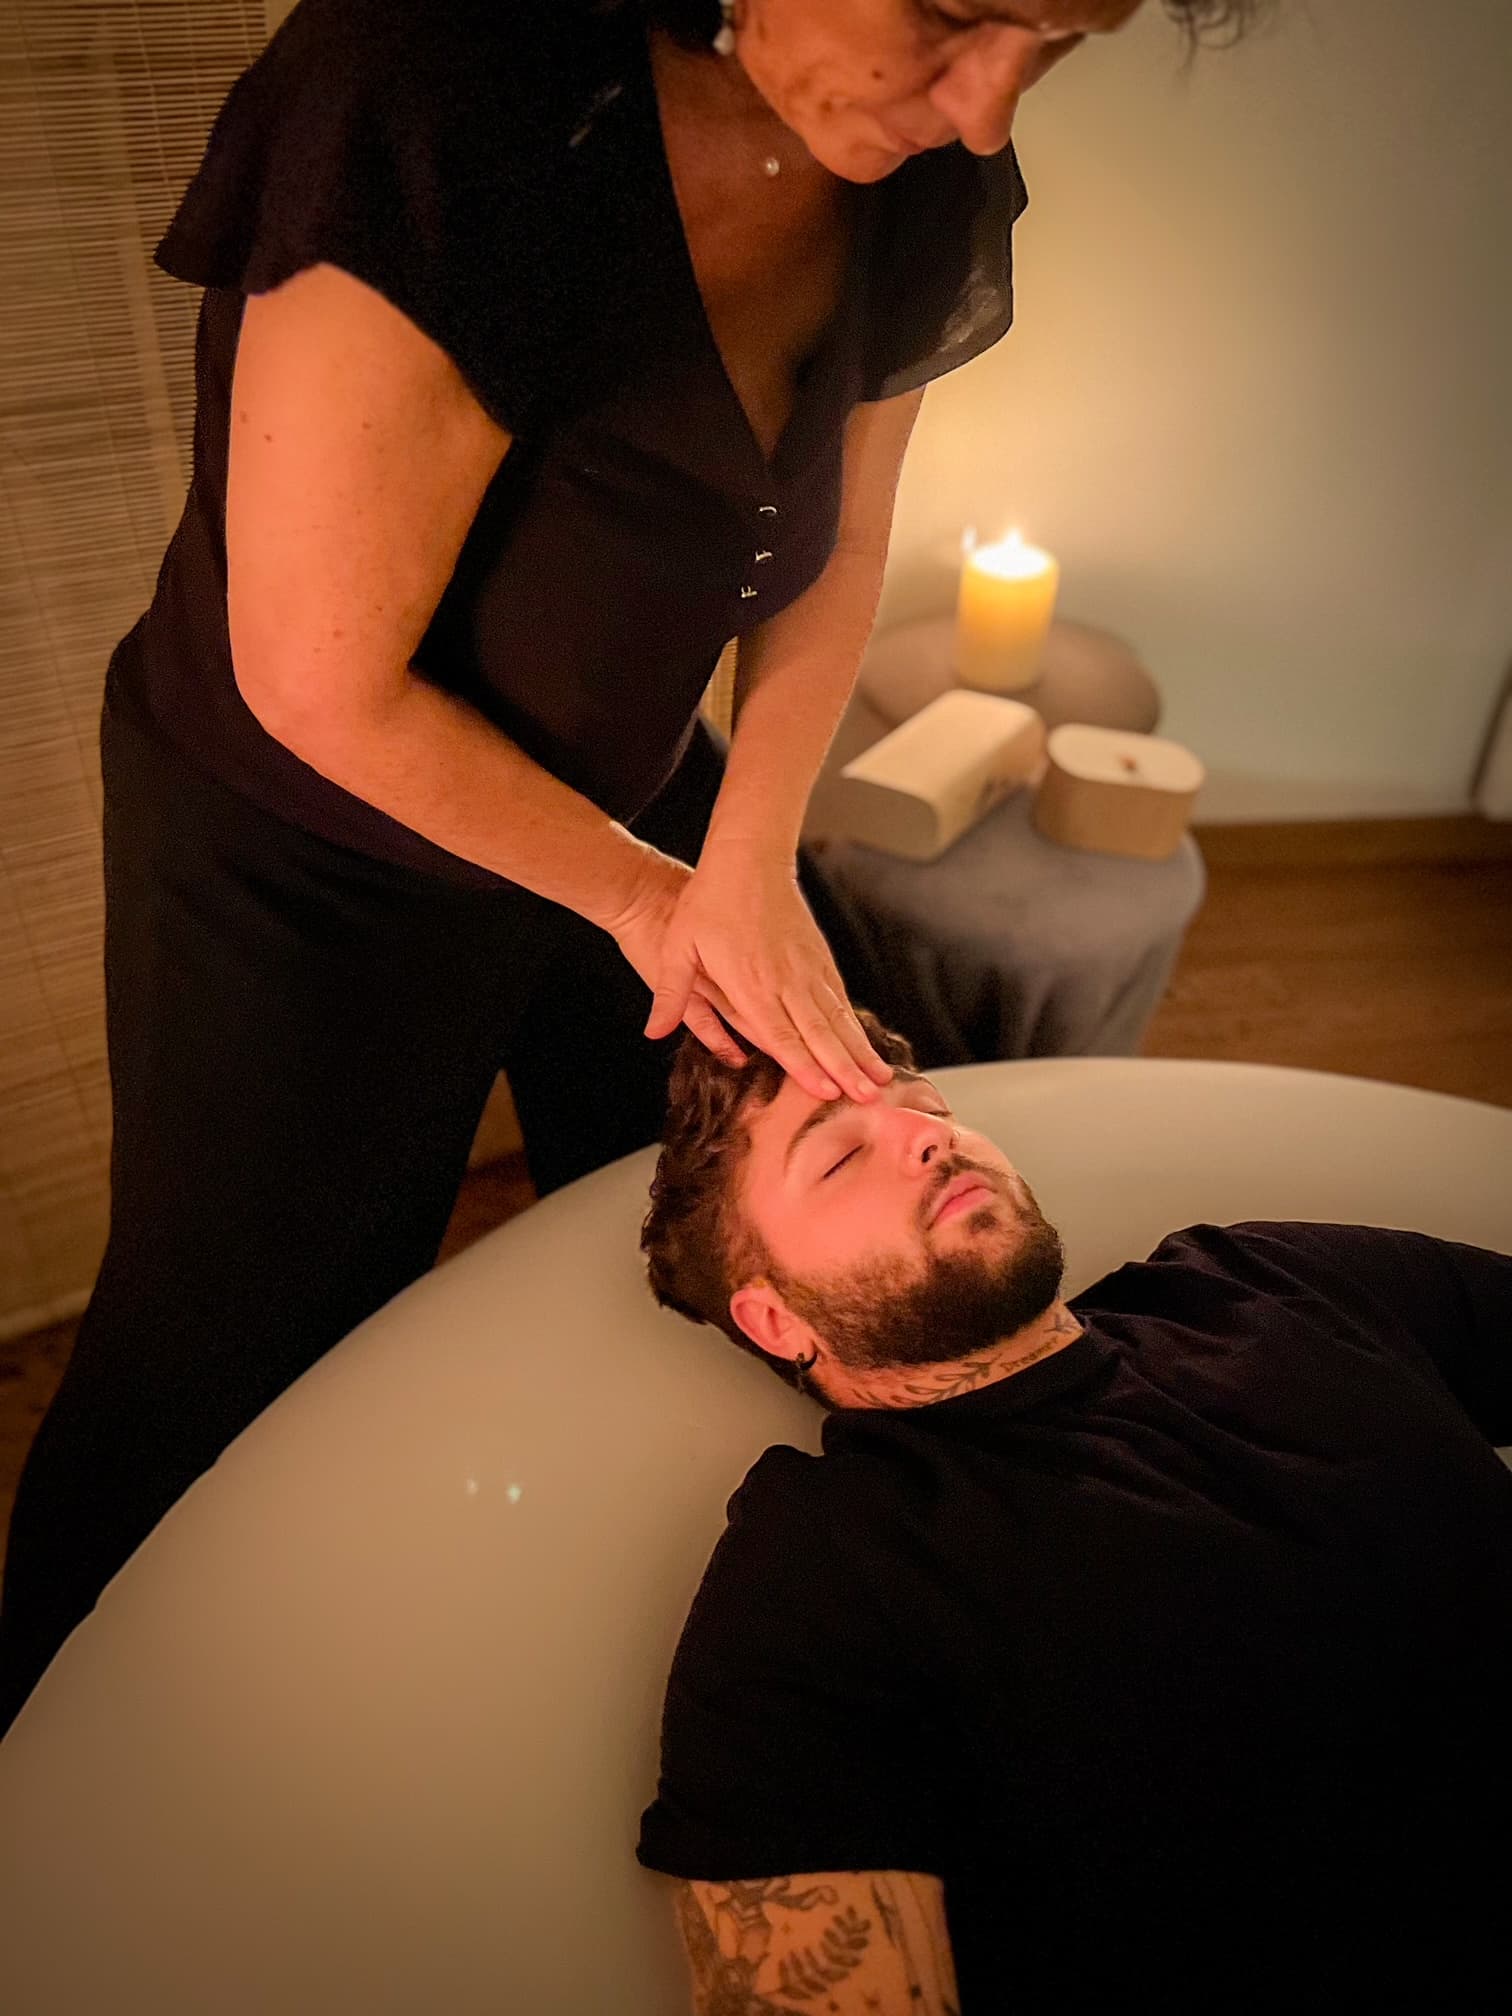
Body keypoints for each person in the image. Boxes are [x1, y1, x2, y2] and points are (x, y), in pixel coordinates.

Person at [0, 0, 1207, 1733]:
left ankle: (656, 1607)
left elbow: (836, 542)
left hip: (638, 793)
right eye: (953, 15)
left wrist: (746, 856)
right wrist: (658, 898)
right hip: (306, 848)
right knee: (222, 1361)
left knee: (716, 1223)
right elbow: (315, 679)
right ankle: (57, 1765)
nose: (989, 101)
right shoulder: (427, 102)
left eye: (1058, 40)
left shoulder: (924, 154)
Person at [635, 1013, 1512, 2013]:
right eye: (838, 1155)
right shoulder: (819, 1572)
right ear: (774, 1317)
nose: (927, 1134)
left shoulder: (1265, 1281)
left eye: (922, 1104)